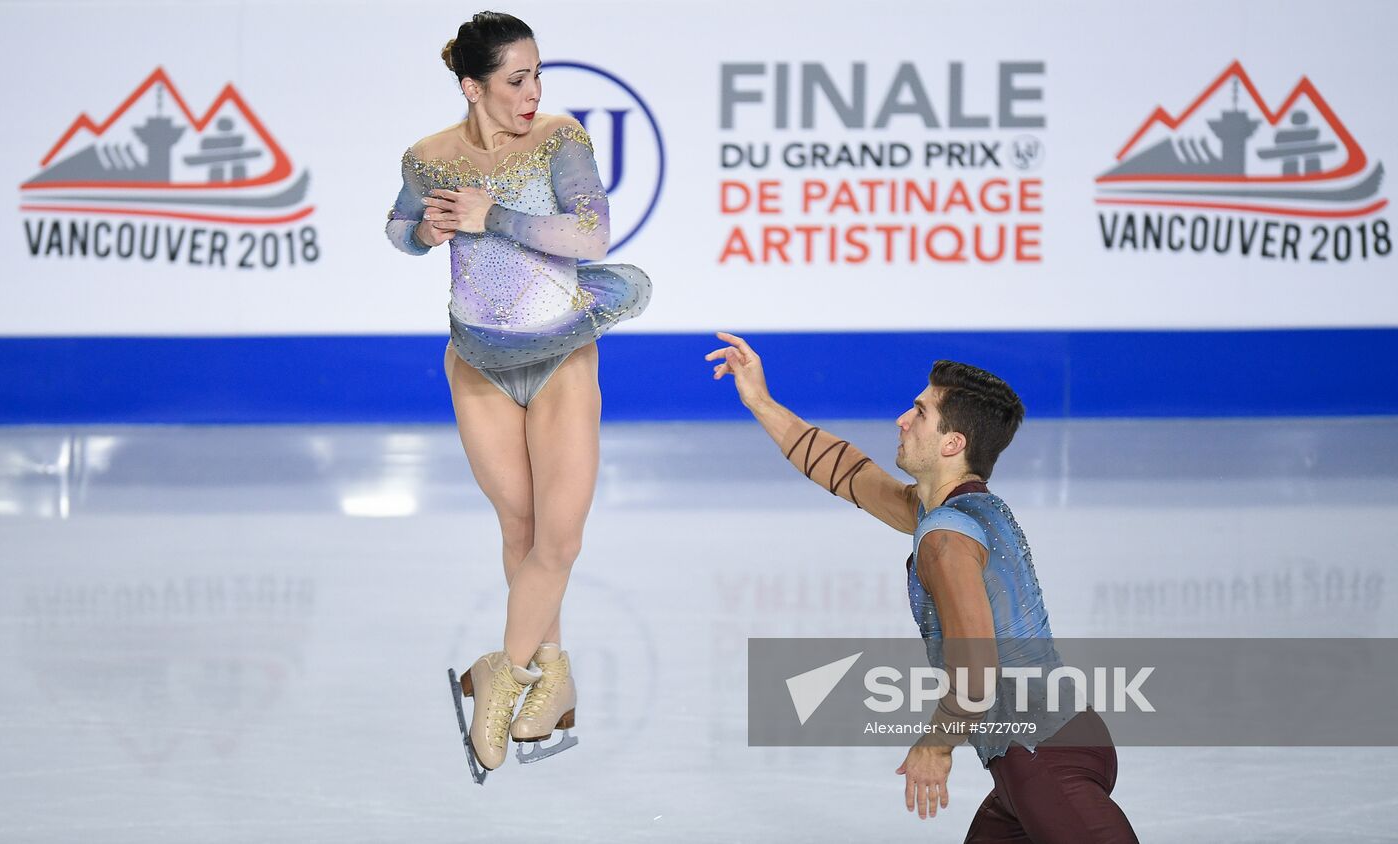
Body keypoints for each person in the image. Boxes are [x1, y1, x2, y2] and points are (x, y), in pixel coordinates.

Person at [706, 332, 1137, 842]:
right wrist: (760, 399)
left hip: (1042, 758)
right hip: (1049, 746)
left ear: (953, 443)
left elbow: (977, 672)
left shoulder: (946, 538)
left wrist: (934, 746)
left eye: (920, 412)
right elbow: (851, 473)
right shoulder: (959, 510)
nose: (902, 419)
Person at [384, 11, 650, 783]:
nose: (533, 92)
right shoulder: (429, 156)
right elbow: (397, 226)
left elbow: (594, 237)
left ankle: (500, 675)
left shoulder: (560, 139)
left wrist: (491, 214)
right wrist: (426, 234)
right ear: (474, 86)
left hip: (562, 353)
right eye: (515, 79)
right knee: (521, 526)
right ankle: (553, 671)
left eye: (537, 75)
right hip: (476, 362)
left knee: (559, 541)